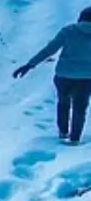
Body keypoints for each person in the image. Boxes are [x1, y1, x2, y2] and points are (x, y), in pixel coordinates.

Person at [15, 8, 91, 145]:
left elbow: (49, 50)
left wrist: (30, 64)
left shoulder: (69, 31)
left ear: (81, 18)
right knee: (80, 107)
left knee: (63, 103)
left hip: (64, 75)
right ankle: (75, 139)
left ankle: (63, 132)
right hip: (86, 77)